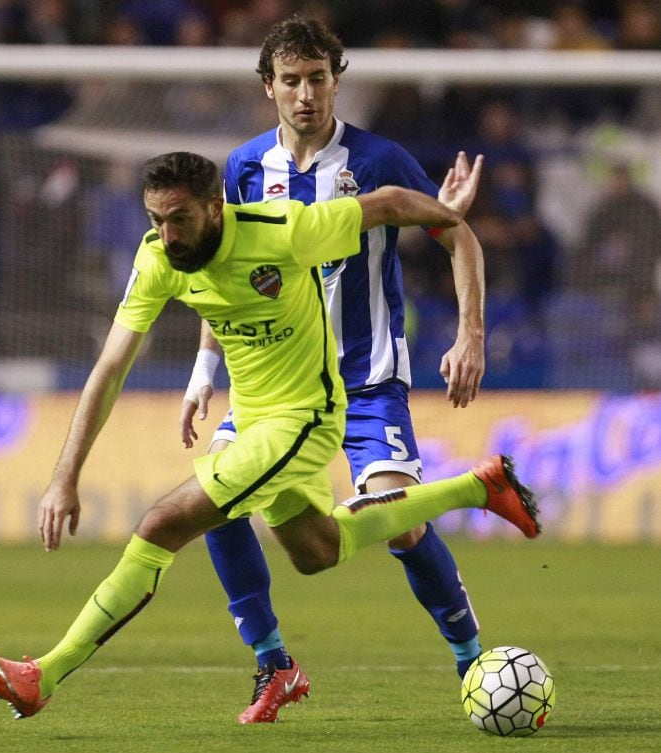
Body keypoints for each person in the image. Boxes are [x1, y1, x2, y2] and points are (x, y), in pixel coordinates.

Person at [0, 150, 540, 722]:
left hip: (306, 417)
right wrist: (63, 478)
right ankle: (479, 487)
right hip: (250, 418)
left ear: (215, 208)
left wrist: (443, 214)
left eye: (179, 219)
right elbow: (110, 369)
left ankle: (43, 673)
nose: (167, 234)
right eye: (155, 221)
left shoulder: (286, 231)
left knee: (160, 525)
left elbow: (390, 203)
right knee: (316, 551)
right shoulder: (158, 261)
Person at [178, 16, 488, 723]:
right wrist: (204, 366)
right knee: (213, 501)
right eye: (292, 81)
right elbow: (222, 270)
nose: (307, 94)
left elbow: (456, 236)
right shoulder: (245, 168)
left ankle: (473, 657)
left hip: (368, 382)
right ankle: (272, 661)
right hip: (277, 389)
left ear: (335, 81)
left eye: (318, 79)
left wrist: (470, 335)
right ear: (269, 88)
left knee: (398, 524)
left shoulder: (378, 160)